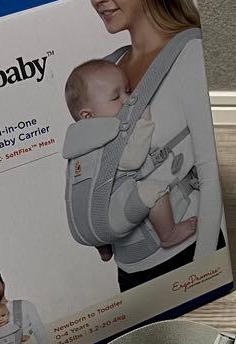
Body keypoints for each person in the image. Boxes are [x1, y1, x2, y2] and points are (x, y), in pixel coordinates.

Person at [87, 0, 226, 292]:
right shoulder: (106, 69)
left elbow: (210, 171)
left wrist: (207, 269)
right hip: (129, 268)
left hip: (187, 253)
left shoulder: (189, 55)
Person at [63, 58, 199, 251]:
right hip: (111, 220)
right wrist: (143, 123)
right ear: (88, 115)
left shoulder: (77, 146)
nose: (127, 100)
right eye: (115, 97)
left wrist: (153, 161)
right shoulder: (107, 137)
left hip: (82, 228)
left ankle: (103, 249)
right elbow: (133, 161)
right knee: (154, 190)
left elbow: (116, 175)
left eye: (127, 91)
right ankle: (169, 234)